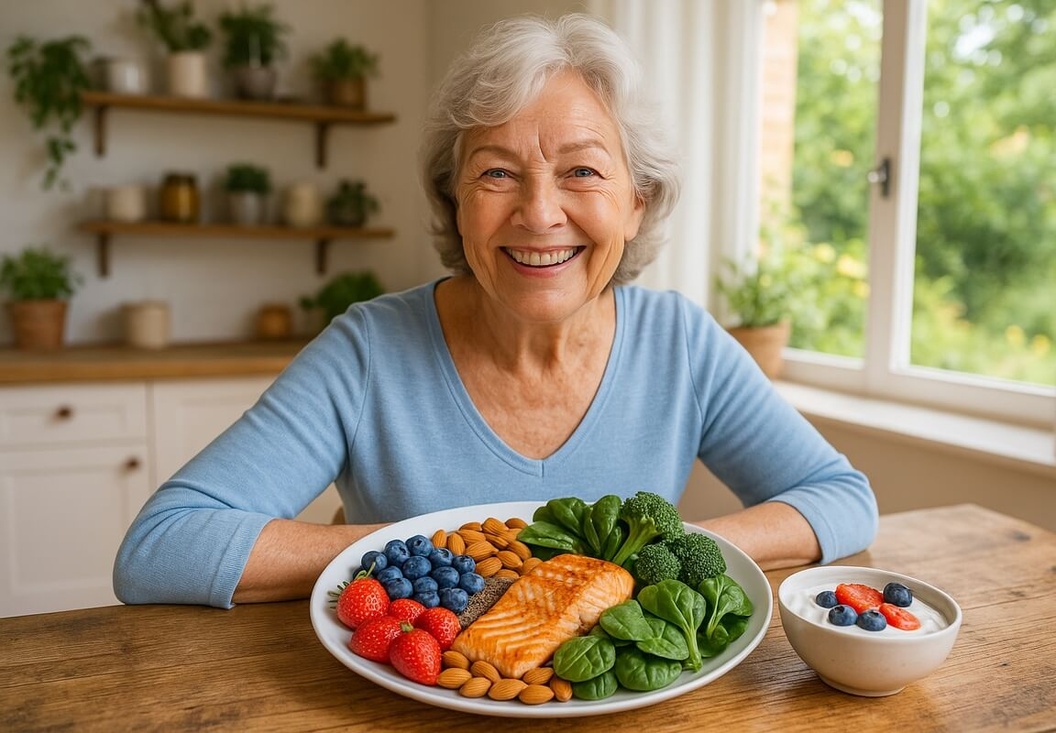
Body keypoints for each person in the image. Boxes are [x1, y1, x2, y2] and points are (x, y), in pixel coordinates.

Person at [114, 13, 877, 608]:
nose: (540, 214)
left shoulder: (680, 343)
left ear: (636, 203)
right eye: (497, 173)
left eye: (581, 170)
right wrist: (433, 545)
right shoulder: (368, 350)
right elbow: (161, 546)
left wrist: (655, 553)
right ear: (456, 200)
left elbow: (841, 499)